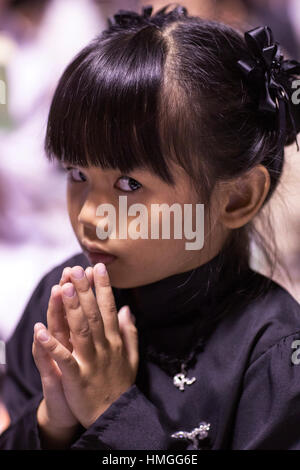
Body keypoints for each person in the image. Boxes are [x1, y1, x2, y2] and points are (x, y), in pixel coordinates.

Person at [1, 3, 300, 450]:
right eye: (77, 174)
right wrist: (52, 420)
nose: (88, 216)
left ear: (237, 198)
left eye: (128, 183)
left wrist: (111, 410)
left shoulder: (274, 355)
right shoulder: (60, 299)